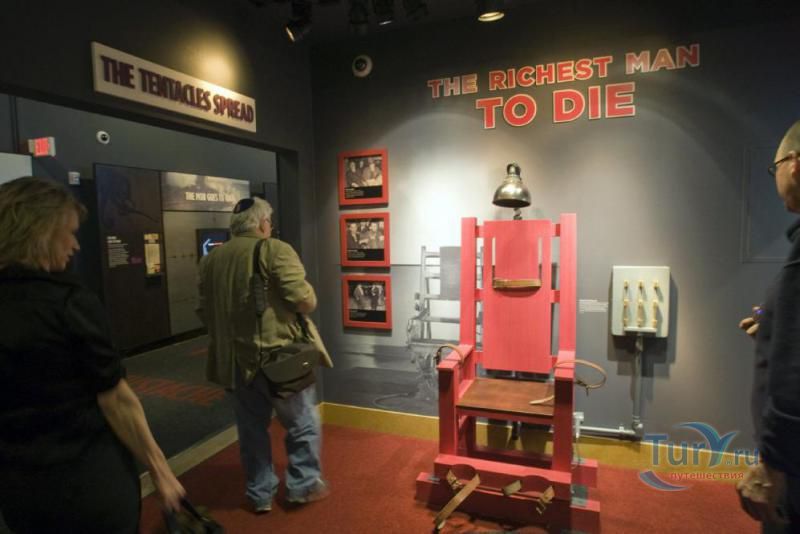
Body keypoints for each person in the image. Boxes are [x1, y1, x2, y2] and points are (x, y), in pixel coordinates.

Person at [0, 176, 184, 533]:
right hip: (86, 480)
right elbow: (115, 399)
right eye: (68, 233)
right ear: (40, 233)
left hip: (19, 488)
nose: (75, 245)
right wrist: (160, 470)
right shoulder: (68, 303)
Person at [196, 197, 330, 513]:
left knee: (251, 430)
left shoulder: (211, 260)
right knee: (302, 423)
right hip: (279, 360)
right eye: (269, 221)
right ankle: (302, 486)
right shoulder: (275, 250)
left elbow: (204, 311)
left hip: (234, 363)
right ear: (262, 223)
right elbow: (304, 300)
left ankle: (259, 494)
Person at [737, 121, 800, 533]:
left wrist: (774, 463)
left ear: (794, 165)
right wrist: (772, 328)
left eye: (774, 168)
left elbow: (796, 375)